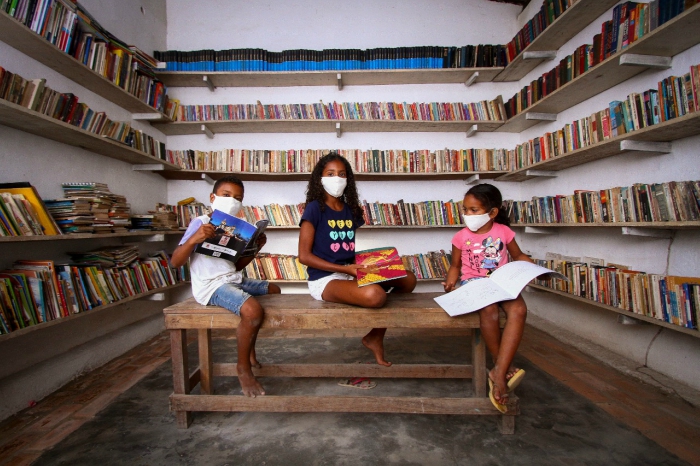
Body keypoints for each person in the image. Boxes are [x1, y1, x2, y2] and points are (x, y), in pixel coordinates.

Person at [298, 152, 417, 366]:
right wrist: (346, 270)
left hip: (352, 271)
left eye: (342, 174)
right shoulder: (315, 208)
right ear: (320, 178)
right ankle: (375, 336)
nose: (337, 179)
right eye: (331, 173)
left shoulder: (350, 210)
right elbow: (304, 257)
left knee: (408, 279)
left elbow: (345, 249)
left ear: (348, 179)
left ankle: (375, 335)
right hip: (325, 279)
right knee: (375, 295)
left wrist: (371, 264)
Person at [170, 175, 281, 397]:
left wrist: (255, 248)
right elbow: (175, 262)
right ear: (213, 197)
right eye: (226, 195)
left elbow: (236, 265)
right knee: (253, 310)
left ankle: (248, 347)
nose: (232, 201)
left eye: (238, 198)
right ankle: (243, 368)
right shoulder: (200, 223)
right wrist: (194, 239)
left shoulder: (234, 229)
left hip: (232, 279)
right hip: (210, 286)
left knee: (273, 290)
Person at [442, 183, 532, 413]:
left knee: (519, 310)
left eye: (473, 210)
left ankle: (498, 370)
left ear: (492, 212)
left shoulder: (503, 231)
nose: (467, 215)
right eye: (465, 210)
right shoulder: (460, 237)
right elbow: (455, 266)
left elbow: (518, 254)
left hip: (502, 280)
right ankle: (501, 369)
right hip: (475, 283)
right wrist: (451, 281)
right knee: (489, 311)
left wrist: (530, 266)